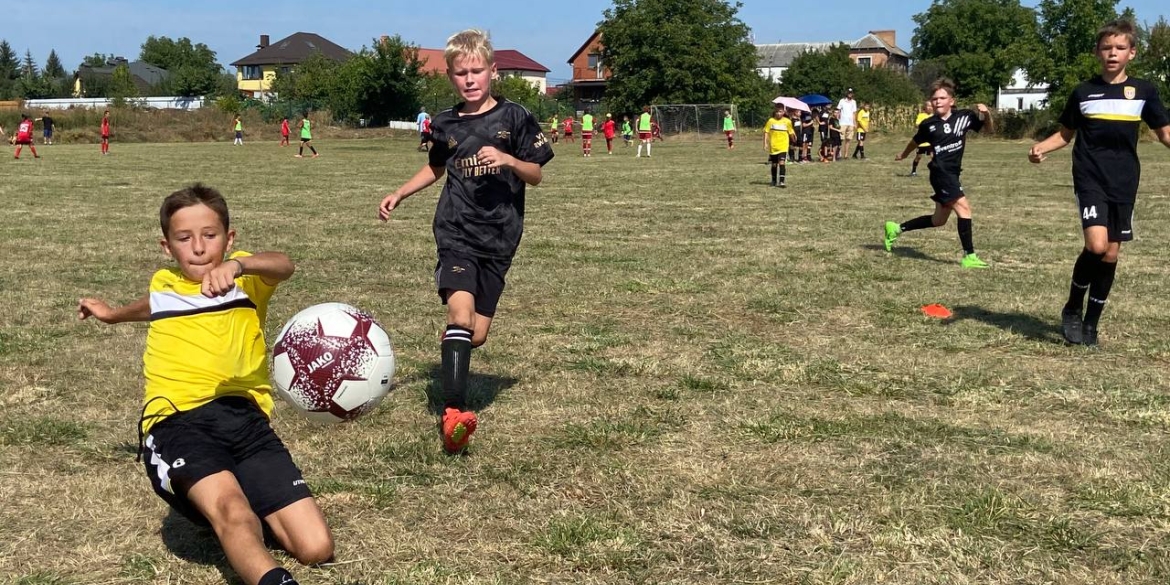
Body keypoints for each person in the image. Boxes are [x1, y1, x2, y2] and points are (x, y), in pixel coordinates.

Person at [77, 184, 334, 585]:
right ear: (167, 247)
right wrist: (111, 315)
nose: (198, 247)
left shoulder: (247, 278)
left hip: (246, 421)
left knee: (316, 548)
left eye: (209, 235)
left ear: (229, 239)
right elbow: (153, 306)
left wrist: (240, 267)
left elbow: (285, 265)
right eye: (184, 238)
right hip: (176, 421)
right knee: (233, 512)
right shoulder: (164, 283)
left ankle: (241, 507)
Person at [377, 29, 554, 454]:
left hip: (501, 237)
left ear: (493, 71)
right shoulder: (444, 122)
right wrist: (400, 191)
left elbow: (537, 174)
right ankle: (453, 412)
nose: (470, 79)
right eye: (461, 73)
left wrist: (511, 160)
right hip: (455, 230)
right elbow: (436, 167)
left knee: (475, 333)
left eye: (477, 71)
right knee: (460, 314)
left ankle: (453, 350)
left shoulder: (515, 117)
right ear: (451, 76)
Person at [1029, 19, 1170, 346]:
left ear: (1132, 53)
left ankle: (1091, 324)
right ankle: (1072, 307)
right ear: (1097, 52)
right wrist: (1039, 148)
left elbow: (1164, 132)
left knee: (1109, 255)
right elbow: (1066, 134)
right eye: (1107, 47)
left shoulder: (1144, 92)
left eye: (1120, 48)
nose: (1113, 53)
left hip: (1124, 181)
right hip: (1090, 176)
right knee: (1095, 245)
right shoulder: (1083, 92)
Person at [888, 78, 995, 269]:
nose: (937, 101)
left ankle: (896, 228)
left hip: (953, 173)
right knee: (964, 209)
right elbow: (914, 142)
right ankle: (969, 256)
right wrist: (903, 154)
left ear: (951, 101)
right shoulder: (928, 124)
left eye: (942, 98)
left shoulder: (965, 116)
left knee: (938, 220)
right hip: (940, 173)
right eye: (935, 98)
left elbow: (989, 131)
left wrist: (986, 115)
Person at [763, 105, 796, 188]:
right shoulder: (771, 121)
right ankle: (774, 181)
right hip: (773, 146)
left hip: (783, 146)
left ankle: (781, 182)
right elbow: (766, 132)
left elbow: (791, 132)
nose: (778, 113)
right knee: (774, 164)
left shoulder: (787, 121)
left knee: (781, 163)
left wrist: (793, 140)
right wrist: (765, 143)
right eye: (777, 111)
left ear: (783, 112)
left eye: (780, 111)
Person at [910, 101, 933, 176]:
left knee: (933, 157)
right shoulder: (921, 115)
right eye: (928, 106)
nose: (930, 107)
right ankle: (913, 171)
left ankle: (936, 172)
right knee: (918, 157)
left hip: (931, 141)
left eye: (931, 106)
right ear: (925, 107)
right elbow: (917, 124)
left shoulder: (934, 116)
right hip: (922, 141)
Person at [837, 88, 858, 160]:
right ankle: (838, 153)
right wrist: (837, 120)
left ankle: (846, 155)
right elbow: (838, 111)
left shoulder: (854, 102)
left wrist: (854, 123)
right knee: (841, 139)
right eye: (849, 93)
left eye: (851, 93)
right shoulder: (842, 101)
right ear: (847, 93)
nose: (850, 94)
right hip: (842, 122)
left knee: (848, 139)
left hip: (850, 123)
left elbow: (854, 113)